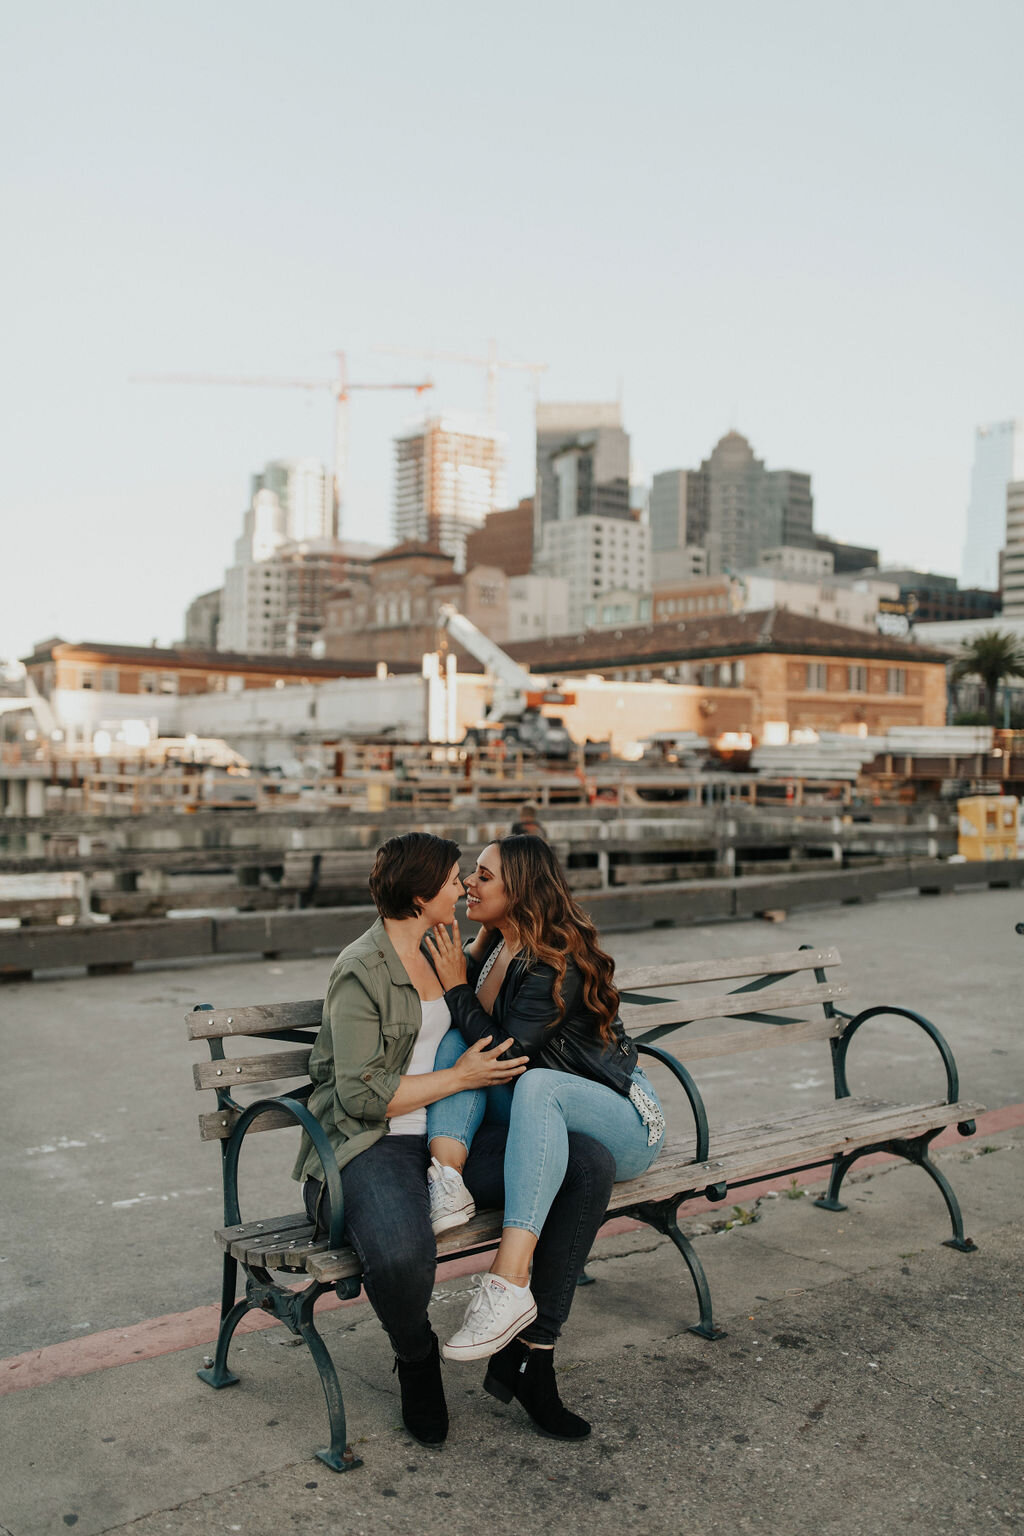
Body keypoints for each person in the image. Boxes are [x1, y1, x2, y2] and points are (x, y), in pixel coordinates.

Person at [291, 831, 616, 1449]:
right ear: (420, 896)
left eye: (470, 875)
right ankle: (416, 1358)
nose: (463, 884)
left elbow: (502, 1022)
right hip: (374, 1141)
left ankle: (531, 1354)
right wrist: (460, 1077)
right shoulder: (361, 969)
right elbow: (359, 1095)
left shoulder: (452, 949)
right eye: (451, 878)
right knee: (401, 1255)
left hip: (453, 1139)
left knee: (586, 1164)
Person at [423, 834, 666, 1375]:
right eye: (473, 873)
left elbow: (511, 1054)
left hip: (622, 1117)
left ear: (521, 889)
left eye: (484, 875)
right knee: (463, 1042)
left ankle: (508, 1281)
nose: (469, 882)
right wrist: (464, 965)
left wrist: (458, 987)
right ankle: (448, 1179)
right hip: (548, 1114)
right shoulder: (497, 943)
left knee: (532, 1080)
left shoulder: (557, 959)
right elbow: (471, 1035)